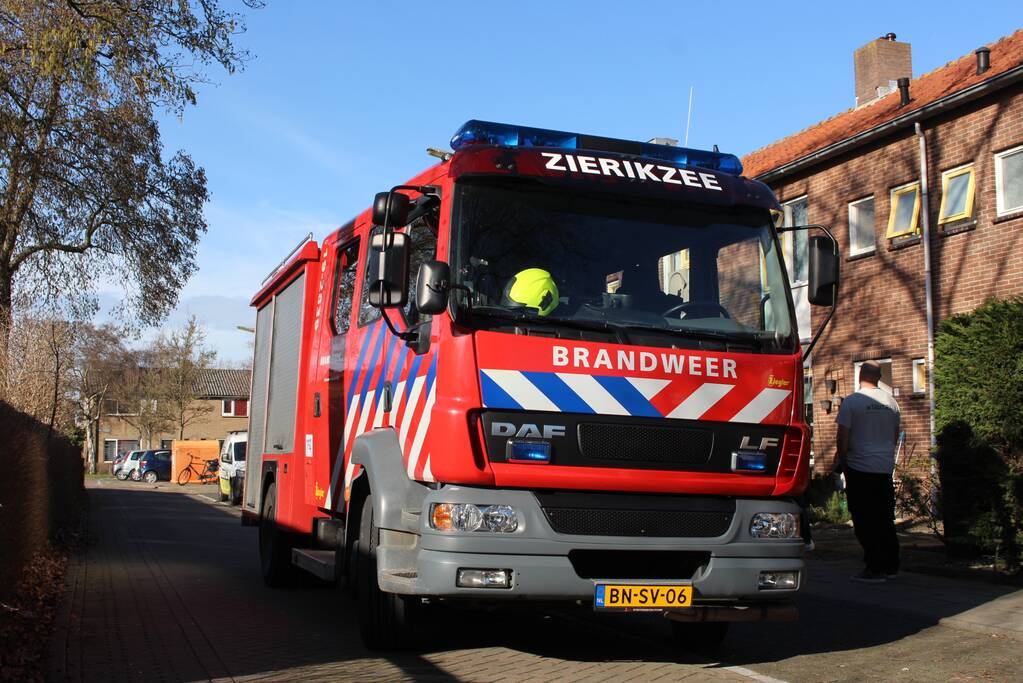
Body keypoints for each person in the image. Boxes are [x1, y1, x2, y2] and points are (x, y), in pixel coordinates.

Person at [835, 361, 901, 583]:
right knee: (884, 517)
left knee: (864, 519)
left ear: (861, 374)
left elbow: (843, 435)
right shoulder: (891, 402)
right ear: (879, 376)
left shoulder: (853, 402)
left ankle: (874, 567)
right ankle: (892, 565)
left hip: (860, 466)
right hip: (883, 467)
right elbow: (894, 434)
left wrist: (843, 462)